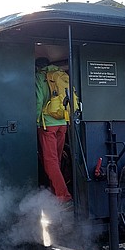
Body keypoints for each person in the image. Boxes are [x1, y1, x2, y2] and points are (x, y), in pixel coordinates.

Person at [35, 57, 72, 203]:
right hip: (63, 122)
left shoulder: (40, 76)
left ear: (38, 67)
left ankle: (63, 196)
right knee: (55, 160)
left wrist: (36, 120)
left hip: (47, 124)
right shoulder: (62, 75)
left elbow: (38, 101)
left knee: (50, 162)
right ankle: (54, 192)